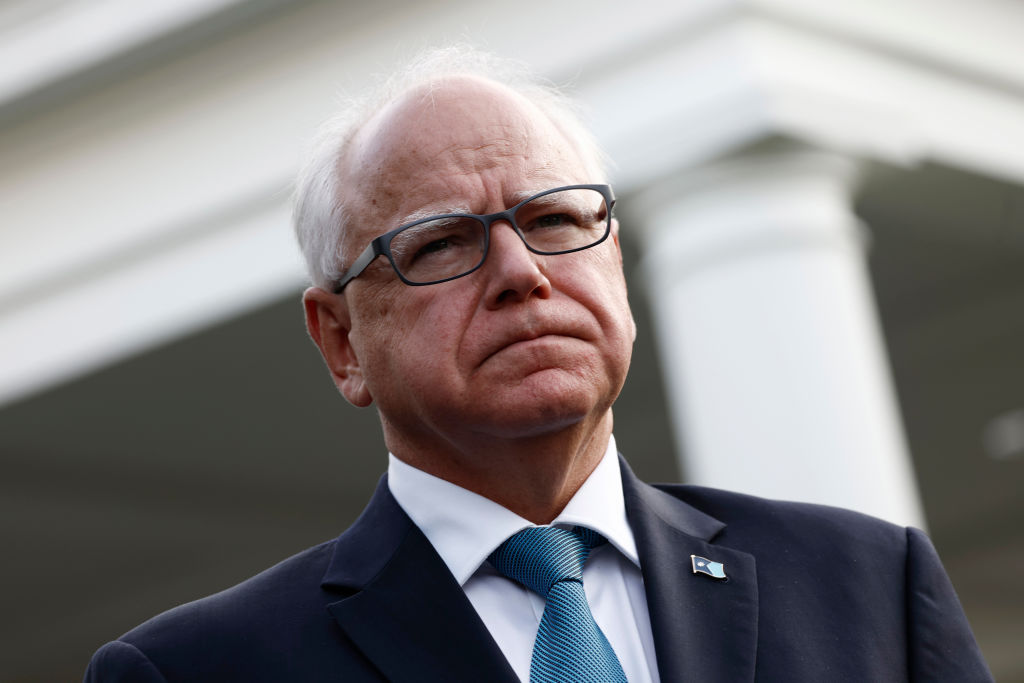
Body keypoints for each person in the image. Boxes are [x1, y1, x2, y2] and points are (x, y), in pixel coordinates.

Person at [85, 47, 992, 682]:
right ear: (341, 343)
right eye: (441, 243)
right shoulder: (198, 669)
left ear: (615, 262)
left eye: (556, 221)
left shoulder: (867, 580)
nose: (522, 274)